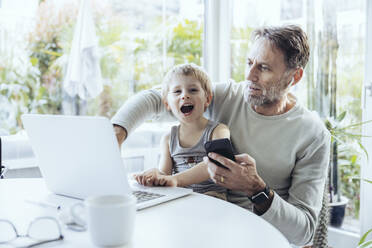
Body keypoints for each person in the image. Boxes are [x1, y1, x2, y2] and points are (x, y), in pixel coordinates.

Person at [112, 25, 330, 246]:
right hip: (201, 226)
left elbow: (304, 232)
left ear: (294, 77)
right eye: (249, 63)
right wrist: (117, 132)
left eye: (263, 68)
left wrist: (256, 189)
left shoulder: (312, 134)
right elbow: (155, 97)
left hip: (257, 239)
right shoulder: (227, 96)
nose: (249, 75)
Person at [133, 63, 230, 201]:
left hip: (212, 196)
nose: (185, 96)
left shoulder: (218, 131)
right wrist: (154, 176)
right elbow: (164, 174)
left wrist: (175, 180)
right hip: (181, 197)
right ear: (167, 104)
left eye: (193, 90)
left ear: (207, 99)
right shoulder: (168, 139)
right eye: (177, 92)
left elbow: (215, 163)